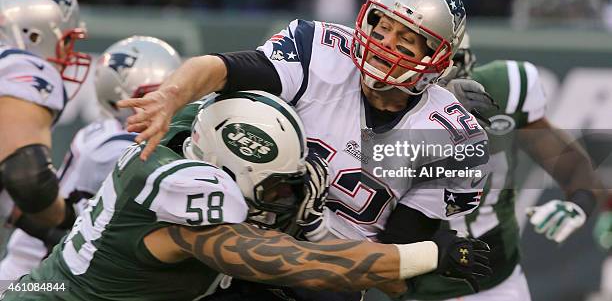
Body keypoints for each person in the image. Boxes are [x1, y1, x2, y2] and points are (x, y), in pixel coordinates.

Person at [119, 0, 491, 291]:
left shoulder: (452, 138)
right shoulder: (322, 51)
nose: (385, 44)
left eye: (406, 39)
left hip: (331, 283)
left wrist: (313, 222)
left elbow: (392, 279)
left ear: (435, 59)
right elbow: (221, 68)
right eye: (383, 25)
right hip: (238, 244)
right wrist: (170, 95)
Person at [2, 91, 491, 301]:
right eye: (273, 186)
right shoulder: (191, 196)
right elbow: (299, 265)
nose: (281, 199)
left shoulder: (190, 130)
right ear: (225, 171)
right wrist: (426, 253)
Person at [404, 34, 601, 300]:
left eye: (449, 66)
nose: (443, 80)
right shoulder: (379, 111)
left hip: (498, 282)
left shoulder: (502, 92)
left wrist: (579, 202)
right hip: (414, 288)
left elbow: (574, 168)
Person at [0, 35, 181, 283]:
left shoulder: (102, 133)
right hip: (42, 277)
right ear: (123, 97)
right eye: (156, 95)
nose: (170, 106)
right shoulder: (116, 149)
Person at [0, 0, 91, 237]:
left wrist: (56, 229)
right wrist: (68, 216)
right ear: (35, 35)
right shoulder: (22, 67)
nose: (68, 54)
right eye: (66, 42)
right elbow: (28, 180)